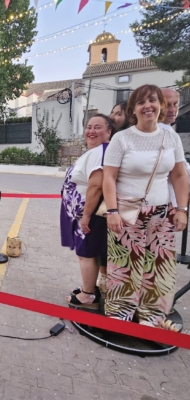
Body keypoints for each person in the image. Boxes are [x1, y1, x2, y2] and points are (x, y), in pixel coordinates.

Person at [103, 84, 189, 330]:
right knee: (124, 266)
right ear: (134, 109)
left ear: (161, 105)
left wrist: (181, 209)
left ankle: (151, 316)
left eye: (152, 100)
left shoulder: (170, 137)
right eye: (140, 102)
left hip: (161, 214)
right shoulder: (122, 138)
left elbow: (179, 176)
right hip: (127, 214)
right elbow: (109, 178)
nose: (147, 106)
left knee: (158, 265)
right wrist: (111, 212)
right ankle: (120, 316)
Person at [62, 115, 114, 310]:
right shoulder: (96, 151)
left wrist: (86, 215)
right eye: (89, 127)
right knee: (91, 253)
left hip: (91, 214)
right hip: (88, 213)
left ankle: (88, 295)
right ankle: (91, 288)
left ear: (109, 132)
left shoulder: (101, 151)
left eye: (98, 127)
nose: (91, 131)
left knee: (86, 253)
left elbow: (96, 186)